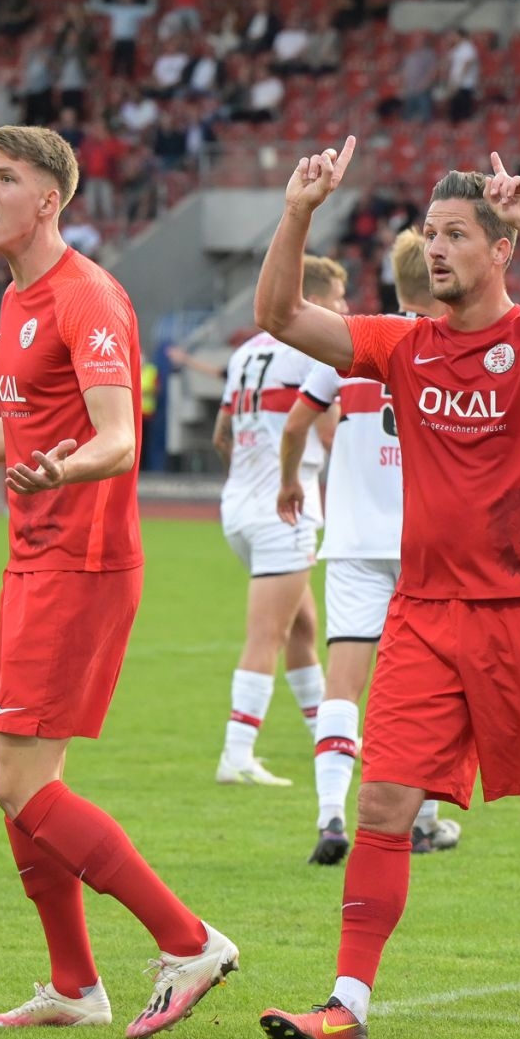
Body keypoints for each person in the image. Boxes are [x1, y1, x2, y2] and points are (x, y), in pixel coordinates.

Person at [251, 141, 520, 1039]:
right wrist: (299, 209)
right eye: (430, 232)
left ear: (501, 250)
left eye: (457, 234)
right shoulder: (400, 344)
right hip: (425, 614)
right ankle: (346, 1007)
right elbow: (279, 315)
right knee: (383, 805)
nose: (435, 248)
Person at [0, 124, 237, 1038]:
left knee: (24, 787)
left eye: (4, 178)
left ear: (49, 199)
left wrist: (64, 469)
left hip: (81, 562)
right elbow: (23, 422)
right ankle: (74, 987)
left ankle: (189, 942)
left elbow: (119, 438)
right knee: (20, 781)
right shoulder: (17, 296)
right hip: (36, 556)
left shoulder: (87, 295)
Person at [277, 230, 462, 863]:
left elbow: (297, 425)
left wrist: (291, 483)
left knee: (343, 684)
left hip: (354, 540)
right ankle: (424, 821)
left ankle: (331, 816)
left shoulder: (356, 340)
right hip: (428, 544)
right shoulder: (453, 347)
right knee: (431, 688)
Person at [212, 258, 344, 787]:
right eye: (338, 298)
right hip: (283, 509)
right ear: (315, 298)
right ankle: (236, 753)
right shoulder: (313, 350)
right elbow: (331, 433)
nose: (343, 308)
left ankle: (325, 736)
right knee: (268, 634)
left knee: (302, 627)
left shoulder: (246, 351)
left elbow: (222, 433)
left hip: (238, 507)